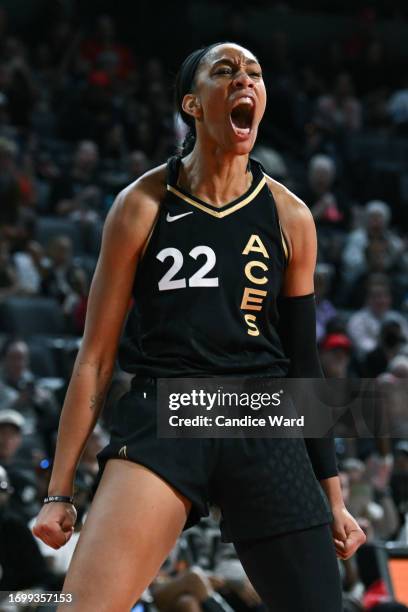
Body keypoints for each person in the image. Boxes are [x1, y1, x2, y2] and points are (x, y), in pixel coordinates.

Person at [32, 43, 365, 612]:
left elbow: (305, 368)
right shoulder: (141, 204)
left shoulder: (291, 217)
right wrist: (59, 492)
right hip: (169, 415)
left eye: (255, 73)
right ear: (192, 103)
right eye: (226, 71)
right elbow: (94, 356)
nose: (245, 81)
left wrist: (332, 497)